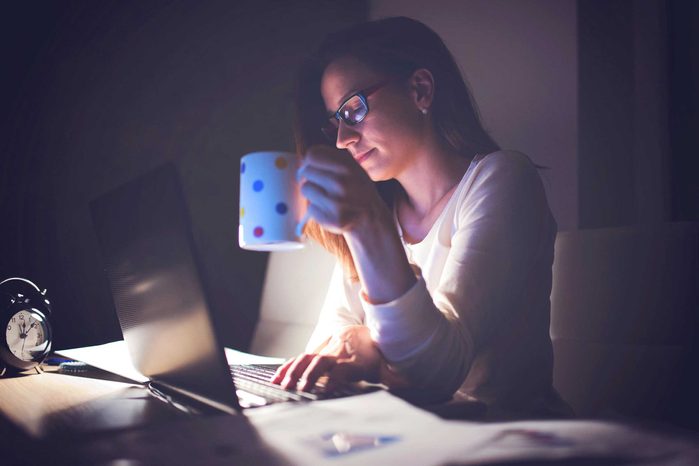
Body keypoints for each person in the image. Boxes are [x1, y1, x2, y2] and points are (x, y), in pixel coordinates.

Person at [271, 16, 569, 418]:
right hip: (406, 437)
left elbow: (439, 369)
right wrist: (355, 341)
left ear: (420, 90)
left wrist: (370, 346)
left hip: (501, 436)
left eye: (353, 109)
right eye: (334, 123)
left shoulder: (504, 179)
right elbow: (328, 339)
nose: (342, 139)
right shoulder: (382, 210)